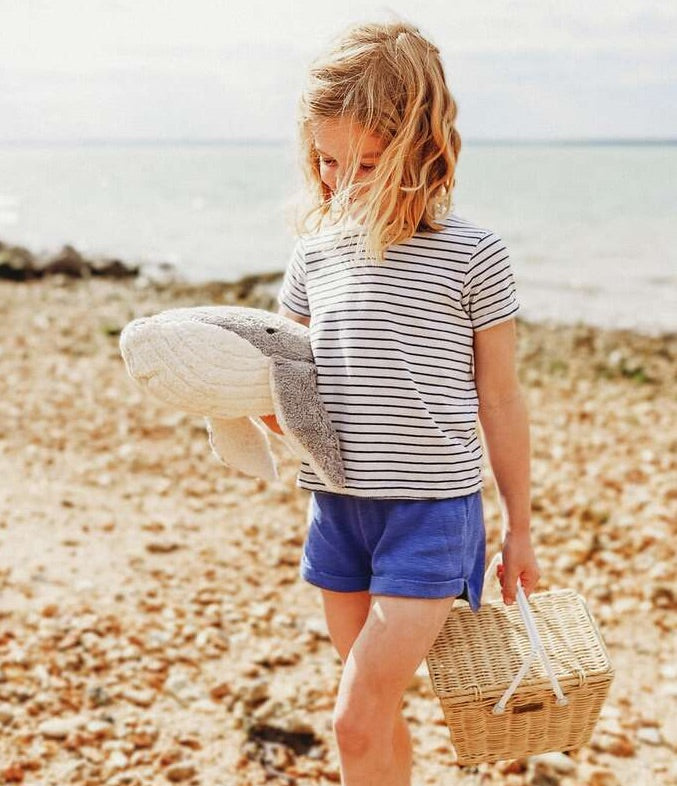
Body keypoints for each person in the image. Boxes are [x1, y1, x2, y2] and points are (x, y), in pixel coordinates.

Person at [261, 18, 540, 786]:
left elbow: (502, 398)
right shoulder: (313, 254)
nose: (341, 183)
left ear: (422, 146)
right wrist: (255, 405)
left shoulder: (473, 254)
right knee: (373, 717)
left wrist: (519, 528)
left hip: (430, 515)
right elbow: (282, 376)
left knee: (352, 716)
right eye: (324, 160)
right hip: (336, 511)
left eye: (368, 163)